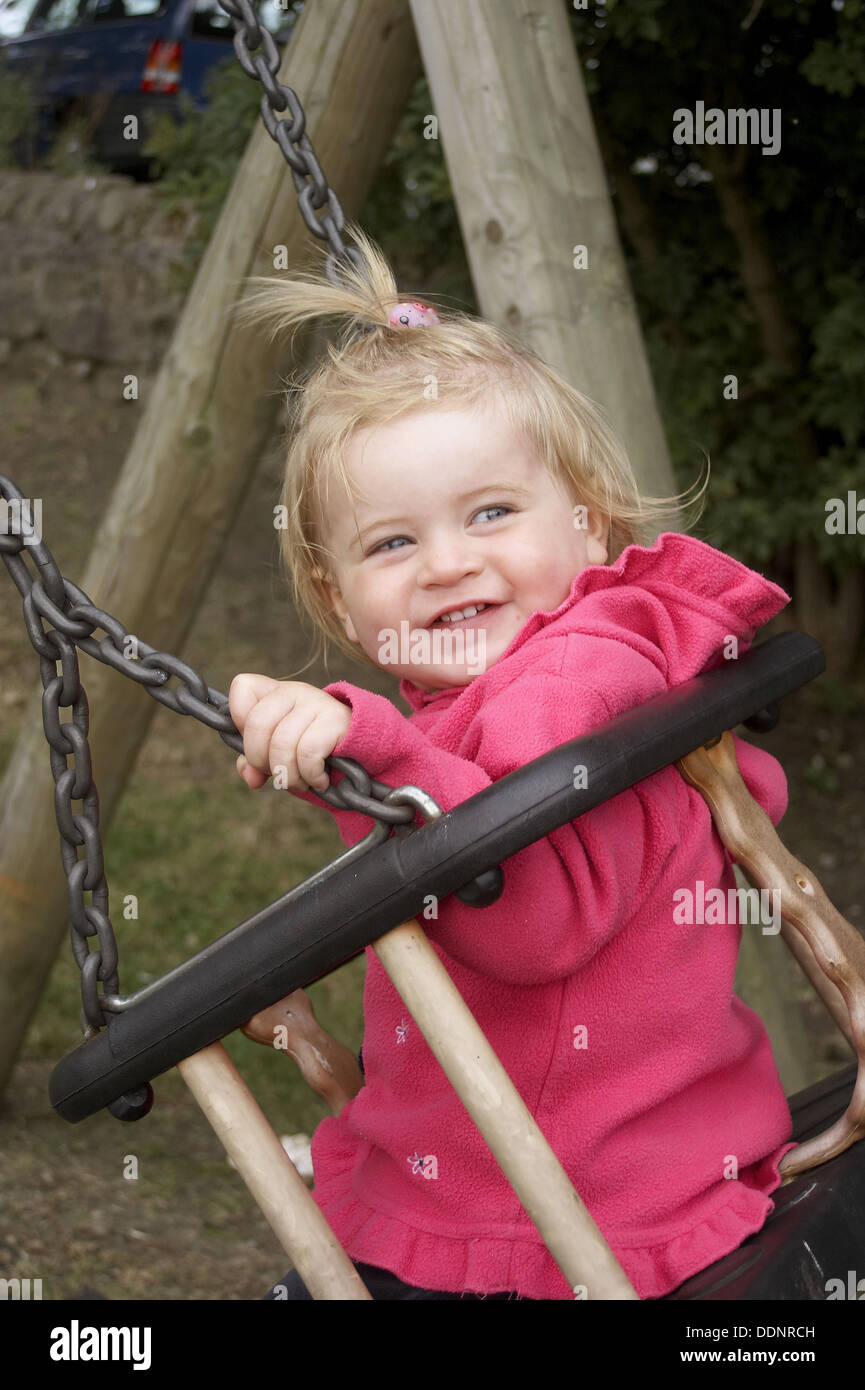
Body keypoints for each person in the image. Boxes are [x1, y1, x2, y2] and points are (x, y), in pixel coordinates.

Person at [228, 224, 798, 1301]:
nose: (447, 563)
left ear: (587, 528)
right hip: (568, 1166)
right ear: (338, 596)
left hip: (560, 1216)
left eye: (490, 513)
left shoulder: (569, 677)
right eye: (391, 543)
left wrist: (372, 748)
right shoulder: (499, 688)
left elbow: (523, 908)